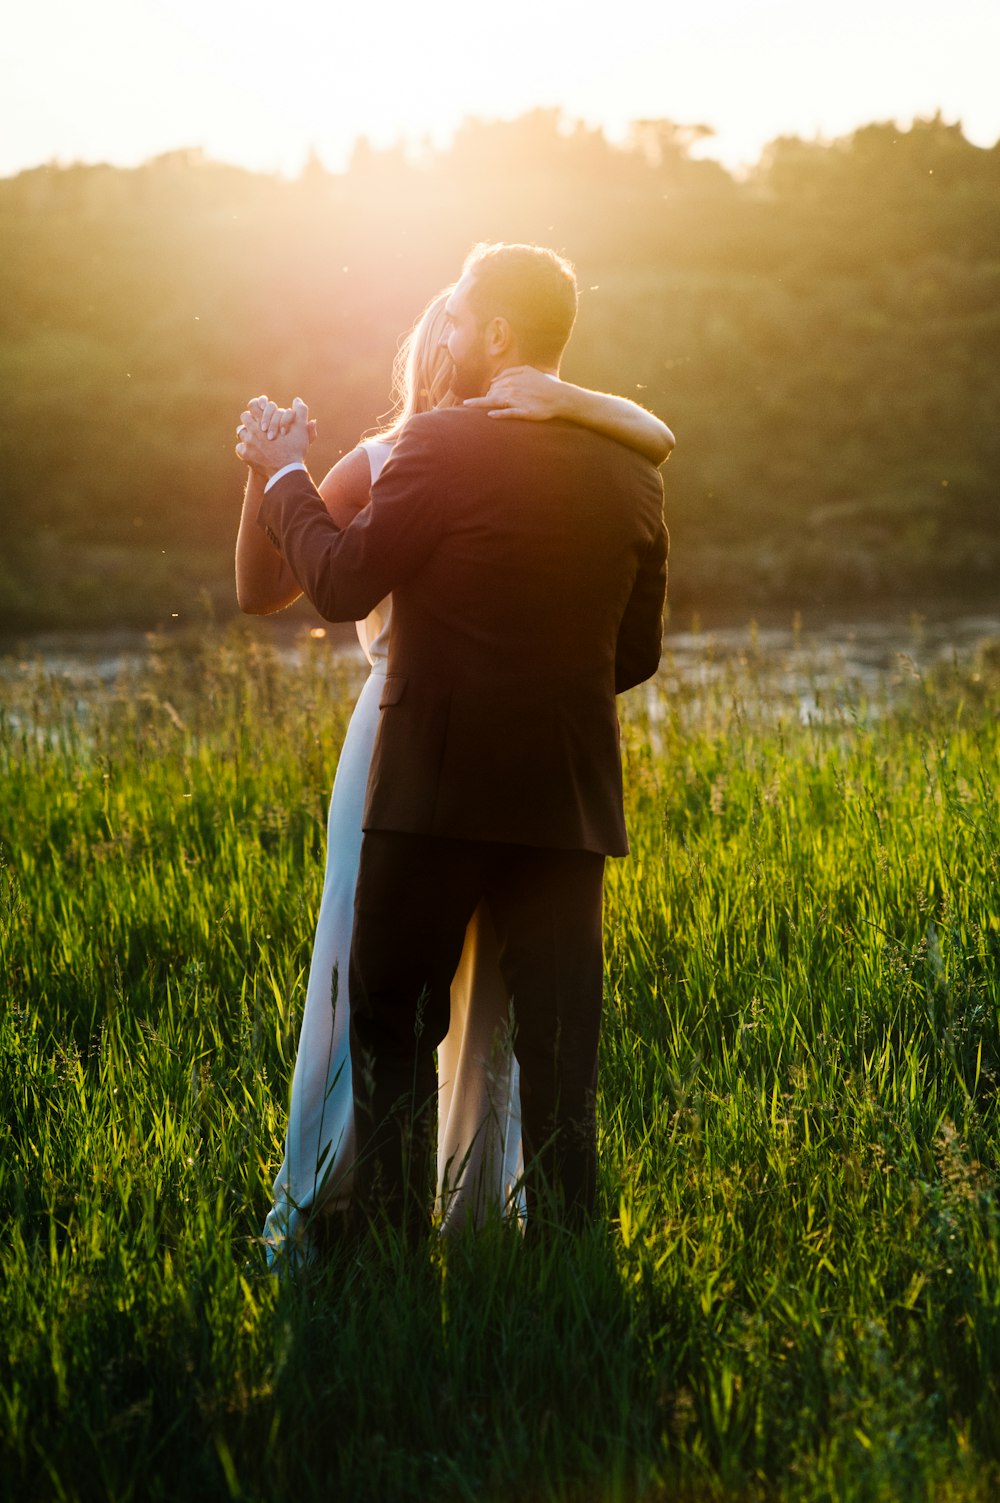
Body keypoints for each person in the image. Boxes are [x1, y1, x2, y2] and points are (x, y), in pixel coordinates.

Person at [236, 284, 674, 1264]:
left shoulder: (432, 445)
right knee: (558, 1048)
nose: (447, 328)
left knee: (393, 1028)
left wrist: (287, 476)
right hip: (565, 800)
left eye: (463, 313)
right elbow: (633, 658)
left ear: (498, 333)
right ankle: (564, 1259)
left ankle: (386, 1255)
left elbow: (343, 582)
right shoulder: (631, 473)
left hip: (427, 787)